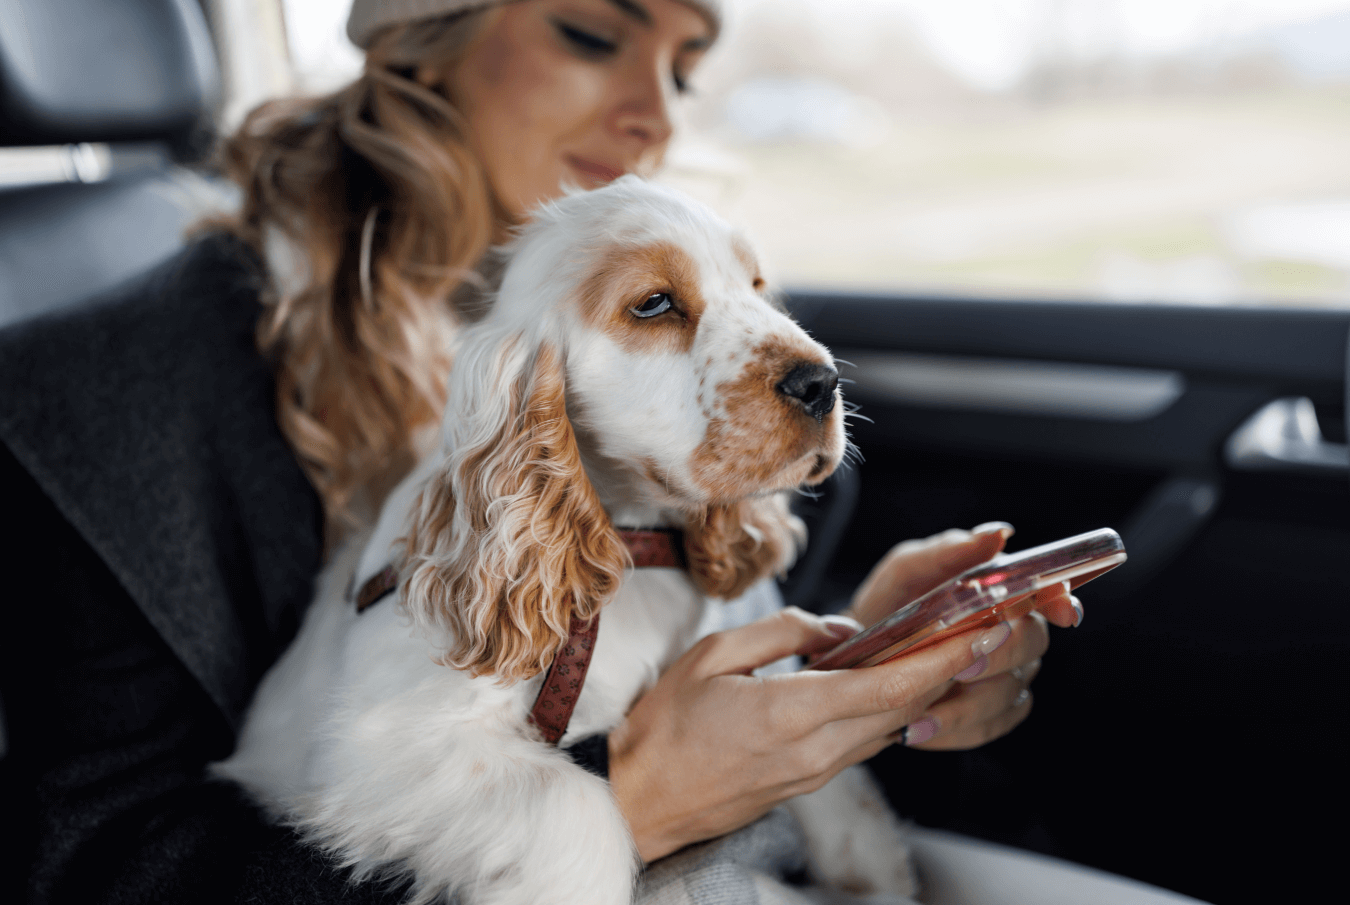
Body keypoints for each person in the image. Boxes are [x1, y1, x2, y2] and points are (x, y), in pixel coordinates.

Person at [0, 0, 1080, 902]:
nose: (652, 114)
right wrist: (630, 801)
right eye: (592, 34)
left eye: (686, 70)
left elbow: (688, 630)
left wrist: (855, 658)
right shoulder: (100, 400)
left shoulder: (670, 315)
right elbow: (101, 866)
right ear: (425, 39)